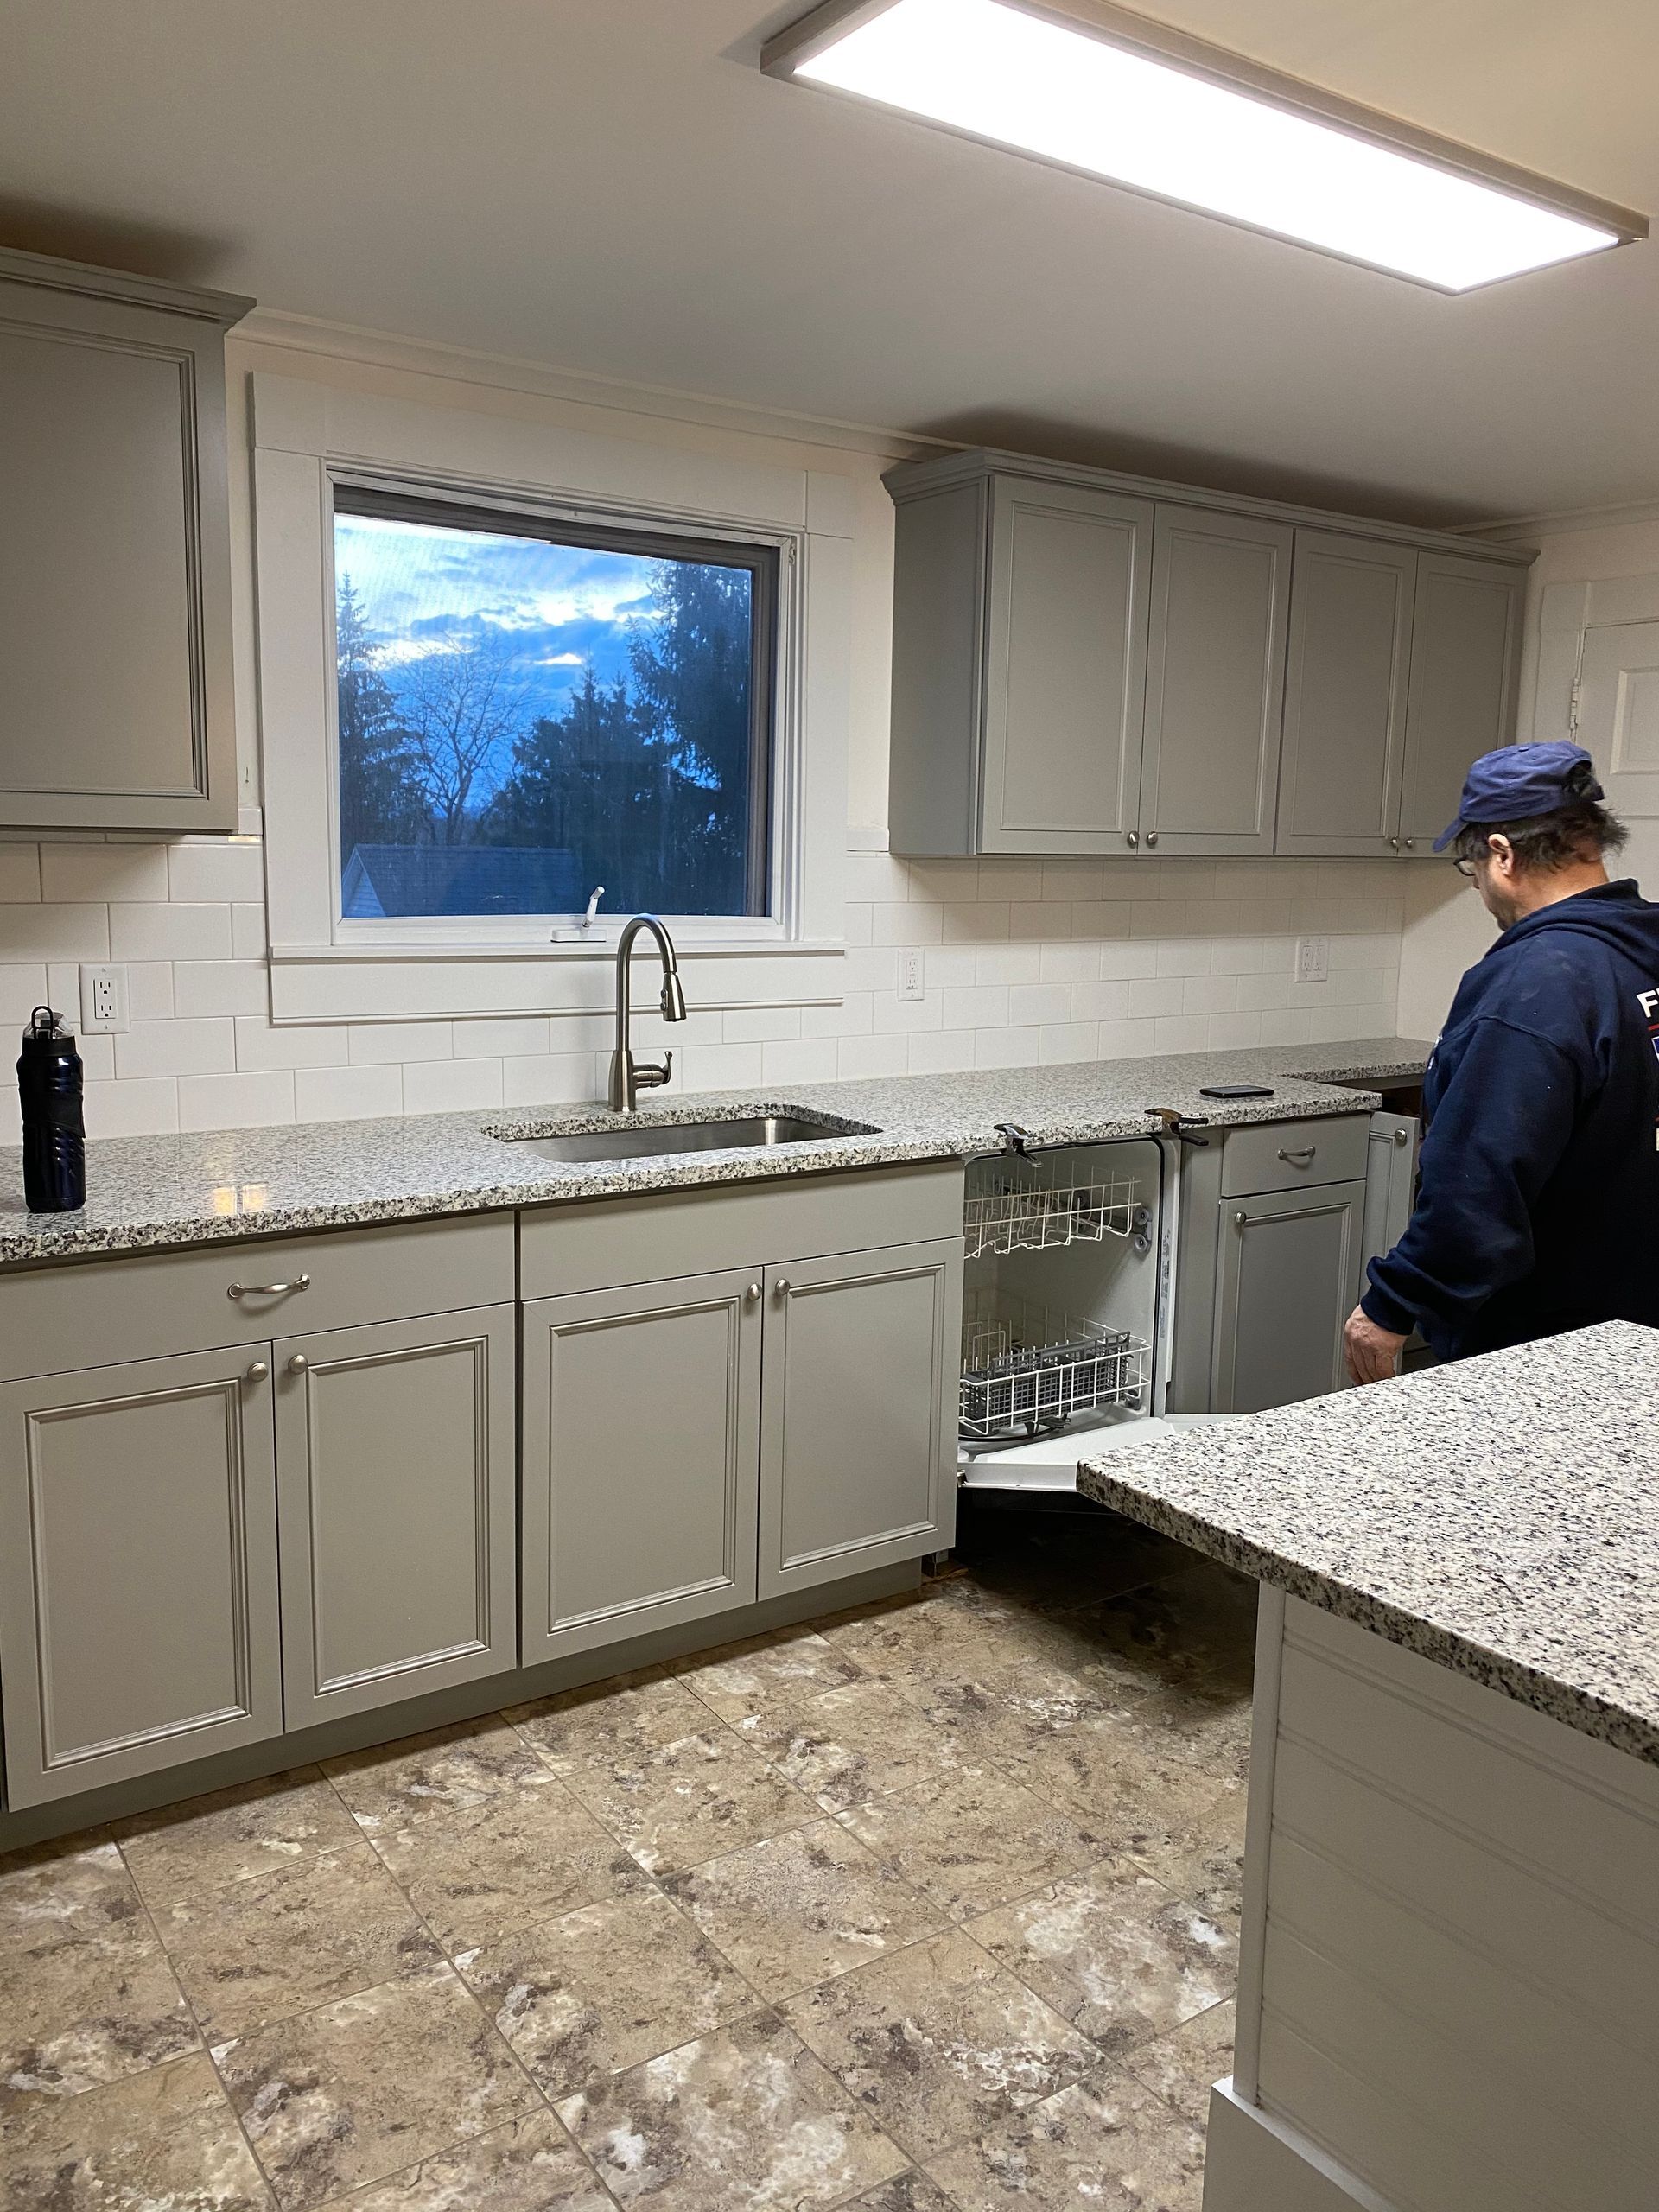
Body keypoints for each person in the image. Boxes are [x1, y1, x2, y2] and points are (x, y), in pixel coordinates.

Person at [1344, 740, 1659, 1384]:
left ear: (1502, 853)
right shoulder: (1641, 951)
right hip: (1637, 1328)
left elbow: (1478, 1178)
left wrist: (1392, 1304)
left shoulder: (1535, 982)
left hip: (1550, 1346)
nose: (1482, 890)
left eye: (1472, 866)